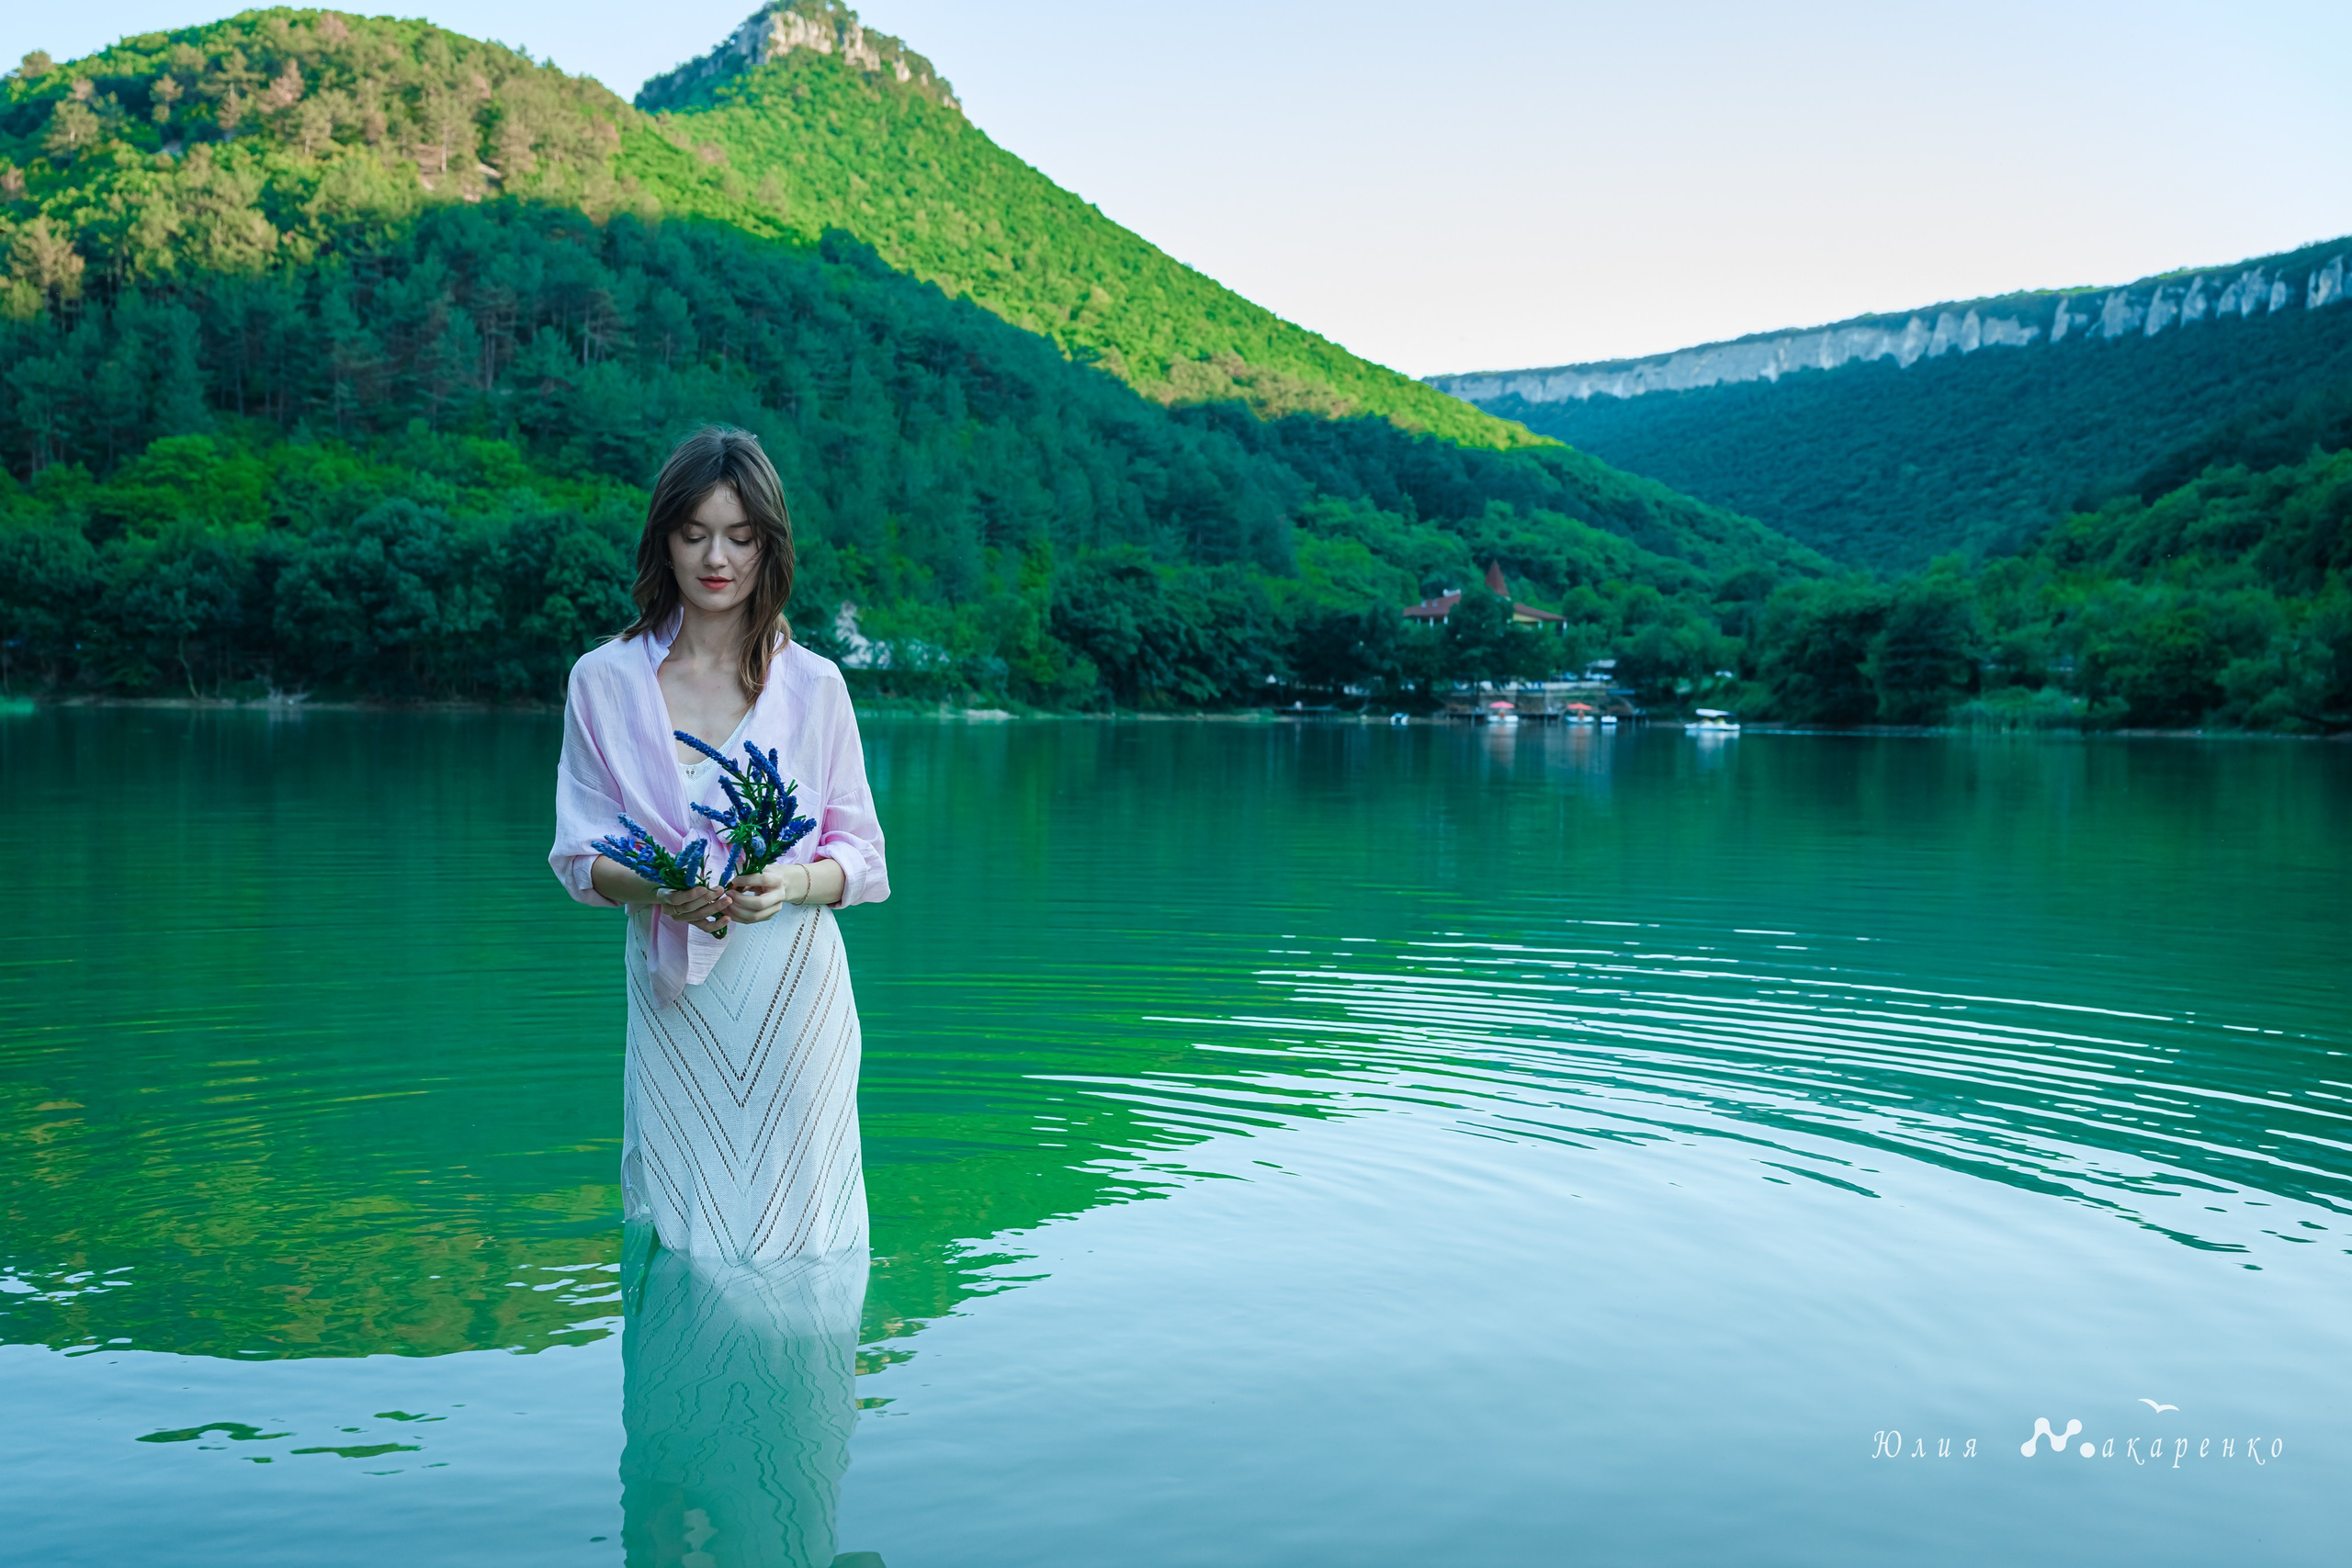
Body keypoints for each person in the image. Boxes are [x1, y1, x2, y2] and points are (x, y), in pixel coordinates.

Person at [549, 425, 887, 1267]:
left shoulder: (814, 684)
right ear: (664, 537)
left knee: (803, 1225)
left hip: (792, 992)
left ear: (769, 545)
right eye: (694, 532)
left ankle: (806, 1392)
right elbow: (578, 857)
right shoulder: (603, 679)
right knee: (687, 1229)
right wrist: (660, 890)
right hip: (675, 998)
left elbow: (864, 857)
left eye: (740, 536)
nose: (717, 557)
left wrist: (792, 882)